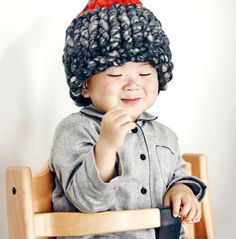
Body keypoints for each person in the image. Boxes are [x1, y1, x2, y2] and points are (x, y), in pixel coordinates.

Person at [49, 0, 206, 238]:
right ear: (85, 85)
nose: (133, 84)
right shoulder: (74, 129)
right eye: (115, 73)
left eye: (144, 73)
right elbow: (87, 200)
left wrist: (181, 190)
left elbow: (178, 174)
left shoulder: (165, 135)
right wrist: (107, 146)